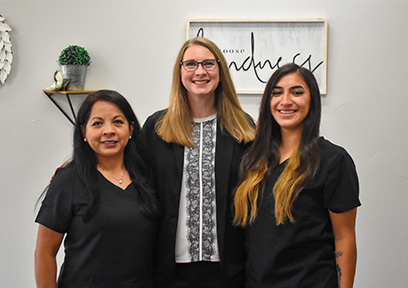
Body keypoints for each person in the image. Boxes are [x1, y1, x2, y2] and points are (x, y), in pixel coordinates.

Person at [138, 37, 255, 287]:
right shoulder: (156, 128)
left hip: (230, 270)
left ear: (220, 72)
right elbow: (127, 171)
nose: (200, 72)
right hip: (169, 271)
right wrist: (78, 166)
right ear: (179, 73)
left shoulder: (243, 129)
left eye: (208, 64)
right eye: (190, 64)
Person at [234, 63, 361, 288]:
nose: (285, 101)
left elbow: (345, 238)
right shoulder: (254, 160)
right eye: (277, 92)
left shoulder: (333, 160)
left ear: (312, 100)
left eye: (297, 92)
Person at [34, 90, 161, 288]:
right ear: (84, 132)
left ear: (131, 129)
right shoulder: (68, 180)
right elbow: (45, 252)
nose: (108, 130)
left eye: (118, 122)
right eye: (97, 123)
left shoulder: (148, 177)